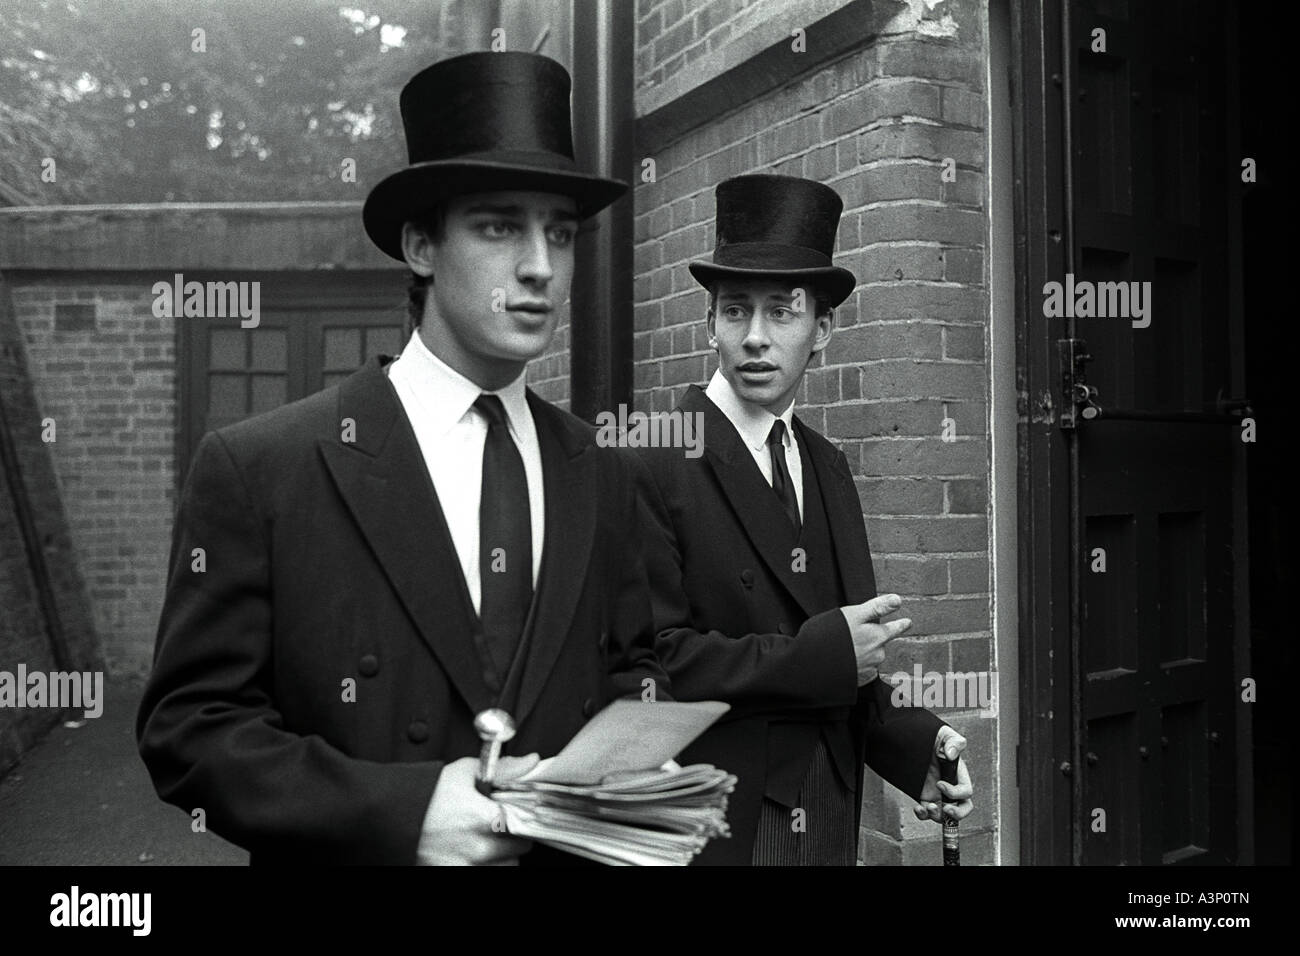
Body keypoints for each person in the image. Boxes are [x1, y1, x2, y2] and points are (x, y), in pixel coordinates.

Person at [136, 51, 669, 865]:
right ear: (421, 245)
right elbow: (192, 729)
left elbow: (630, 669)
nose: (539, 266)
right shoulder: (263, 468)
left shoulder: (597, 466)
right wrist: (404, 811)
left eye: (560, 234)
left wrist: (627, 774)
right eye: (500, 226)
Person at [633, 174, 974, 865]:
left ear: (822, 329)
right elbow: (651, 664)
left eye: (782, 313)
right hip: (721, 819)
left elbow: (856, 657)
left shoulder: (827, 464)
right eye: (735, 312)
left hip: (830, 809)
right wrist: (820, 657)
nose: (755, 337)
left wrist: (921, 749)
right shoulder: (654, 456)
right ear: (710, 325)